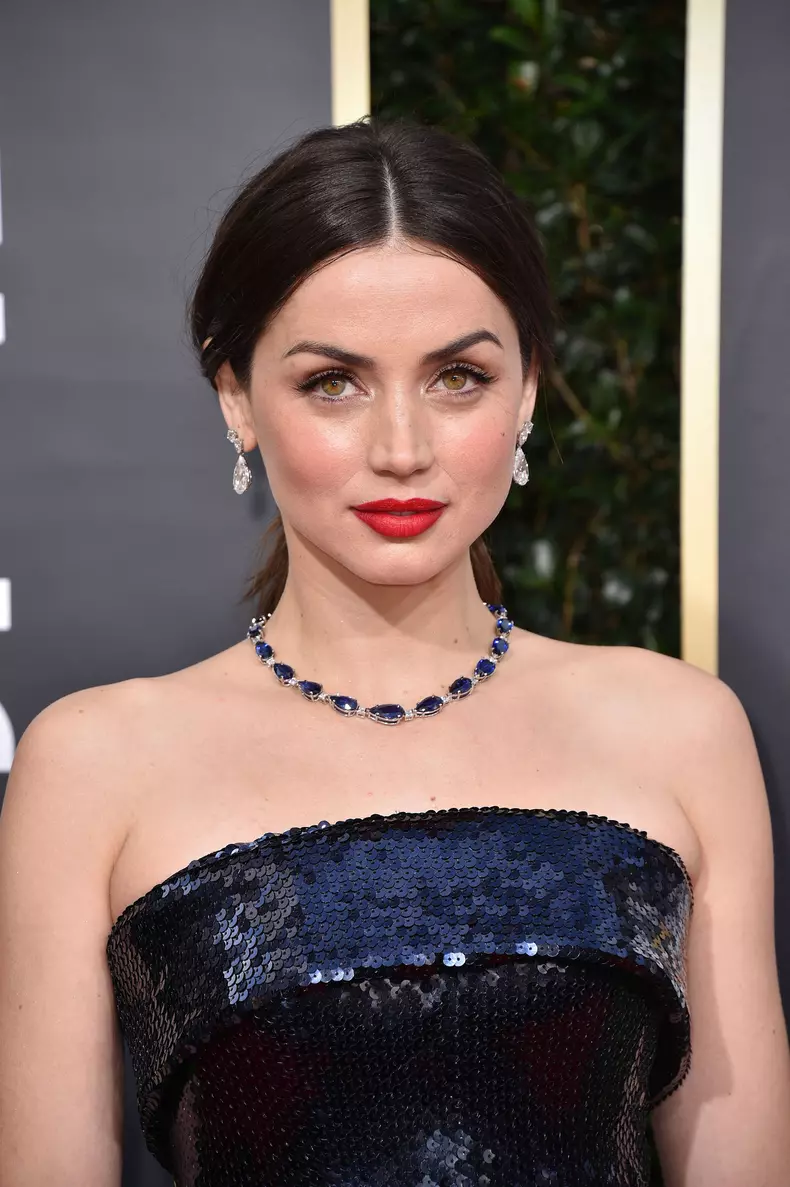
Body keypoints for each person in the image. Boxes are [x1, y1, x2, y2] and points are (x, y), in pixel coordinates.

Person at [1, 118, 789, 1187]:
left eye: (457, 376)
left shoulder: (678, 730)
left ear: (525, 389)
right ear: (235, 396)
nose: (402, 448)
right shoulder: (94, 763)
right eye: (334, 381)